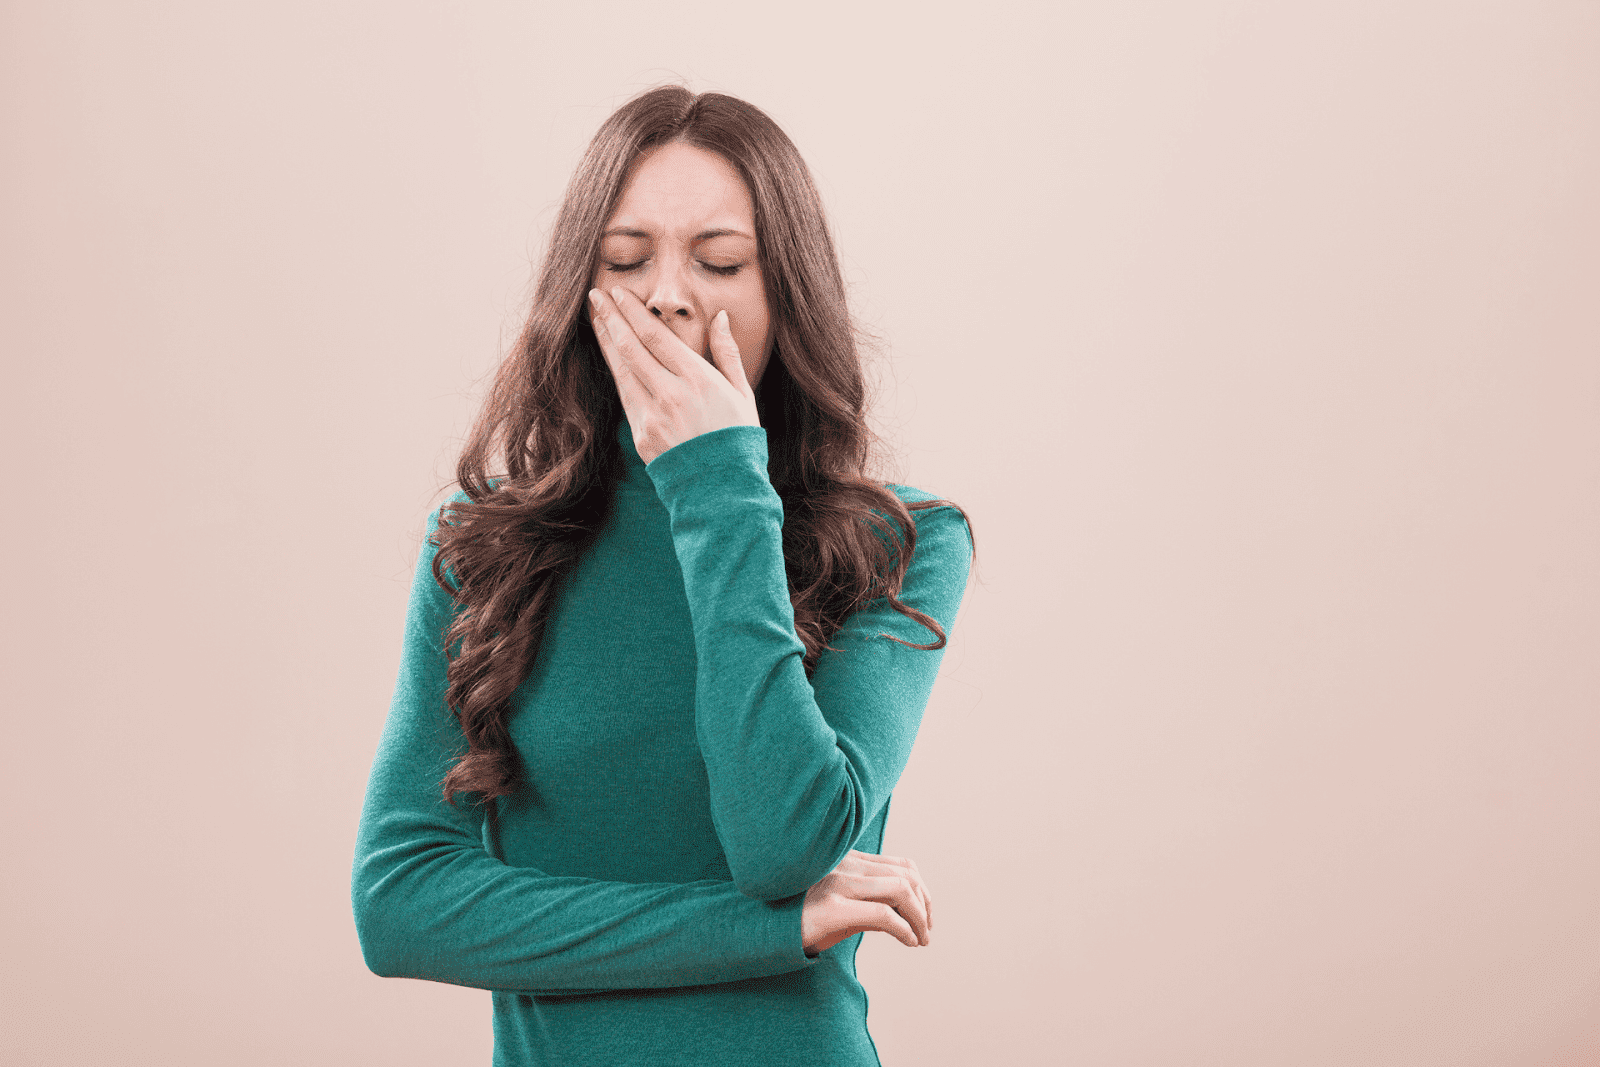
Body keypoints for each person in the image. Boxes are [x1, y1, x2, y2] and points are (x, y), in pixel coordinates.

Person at [352, 84, 976, 1066]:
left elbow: (782, 842)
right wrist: (764, 929)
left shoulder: (900, 541)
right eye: (625, 259)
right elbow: (401, 904)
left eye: (720, 260)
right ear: (581, 289)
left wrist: (719, 485)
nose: (667, 293)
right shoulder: (482, 544)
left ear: (786, 289)